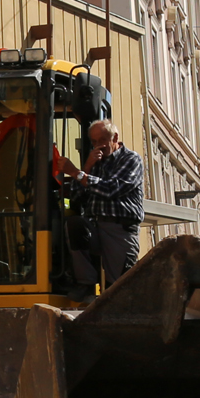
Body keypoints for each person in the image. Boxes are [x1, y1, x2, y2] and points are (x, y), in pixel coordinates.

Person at [53, 120, 143, 293]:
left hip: (119, 228)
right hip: (95, 226)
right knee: (75, 224)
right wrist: (86, 167)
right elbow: (77, 197)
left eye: (102, 140)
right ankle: (85, 284)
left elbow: (111, 189)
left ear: (115, 137)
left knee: (118, 287)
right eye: (94, 142)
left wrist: (76, 173)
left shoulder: (131, 159)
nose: (98, 146)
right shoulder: (95, 163)